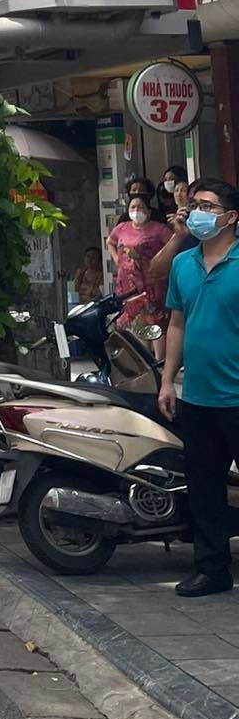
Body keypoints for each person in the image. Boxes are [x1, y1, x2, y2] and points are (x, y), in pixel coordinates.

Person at [160, 179, 239, 596]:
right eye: (194, 205)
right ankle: (212, 569)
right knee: (205, 488)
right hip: (198, 396)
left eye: (207, 206)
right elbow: (177, 323)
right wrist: (167, 380)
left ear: (231, 217)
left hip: (237, 397)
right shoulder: (183, 264)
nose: (197, 212)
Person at [107, 189, 172, 344]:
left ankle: (157, 356)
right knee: (132, 322)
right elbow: (110, 242)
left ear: (148, 211)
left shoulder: (159, 229)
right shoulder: (122, 228)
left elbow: (173, 247)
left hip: (151, 283)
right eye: (133, 207)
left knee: (154, 322)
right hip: (127, 285)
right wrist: (117, 259)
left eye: (140, 207)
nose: (136, 211)